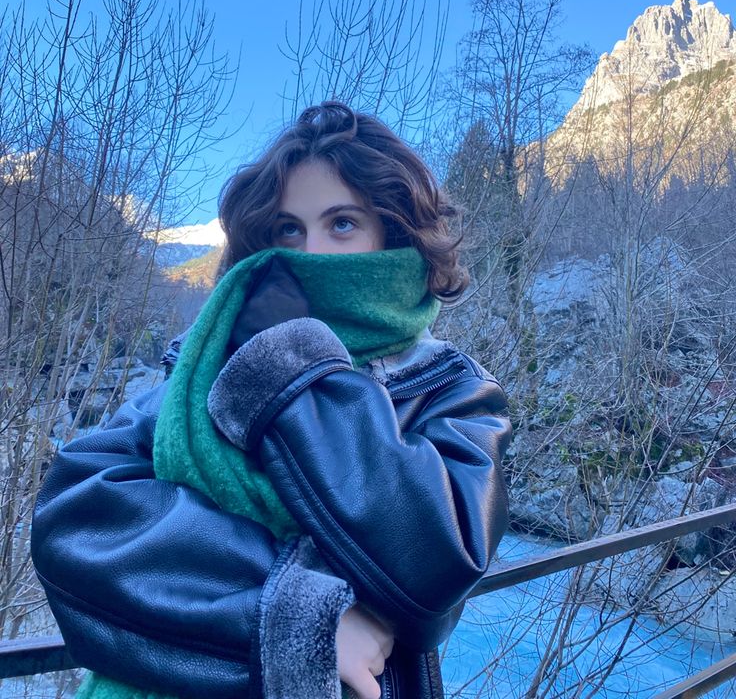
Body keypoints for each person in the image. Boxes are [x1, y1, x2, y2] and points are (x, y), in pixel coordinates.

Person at [31, 101, 512, 699]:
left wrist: (293, 365)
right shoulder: (206, 364)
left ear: (392, 231)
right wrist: (298, 620)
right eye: (289, 228)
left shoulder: (452, 388)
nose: (309, 253)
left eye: (342, 224)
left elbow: (435, 559)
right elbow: (77, 517)